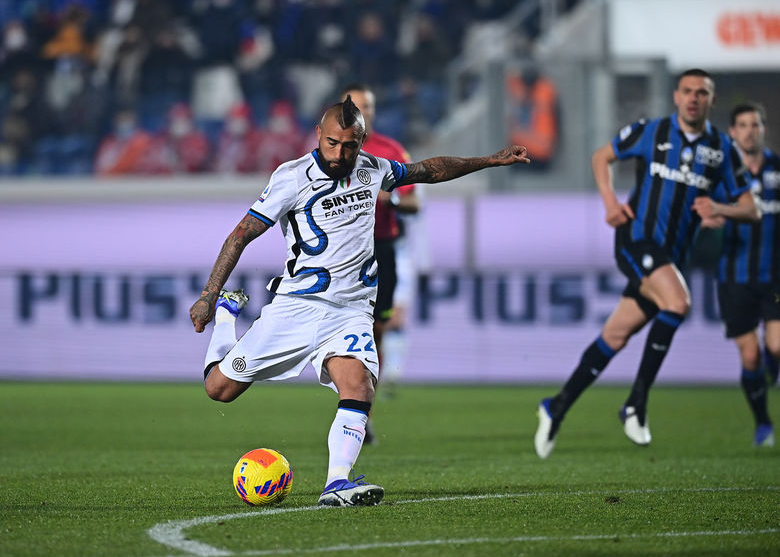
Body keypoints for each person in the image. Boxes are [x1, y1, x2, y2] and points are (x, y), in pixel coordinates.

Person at [190, 97, 529, 505]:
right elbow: (240, 234)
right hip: (297, 307)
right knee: (219, 389)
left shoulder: (373, 169)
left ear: (362, 142)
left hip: (351, 311)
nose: (339, 154)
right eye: (331, 143)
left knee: (360, 385)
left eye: (349, 146)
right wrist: (209, 296)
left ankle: (337, 483)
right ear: (318, 134)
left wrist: (489, 161)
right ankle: (228, 314)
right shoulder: (291, 178)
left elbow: (428, 170)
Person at [534, 68, 761, 459]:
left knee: (615, 335)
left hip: (670, 258)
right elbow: (601, 157)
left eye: (701, 92)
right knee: (679, 303)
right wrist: (609, 202)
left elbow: (751, 208)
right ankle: (636, 403)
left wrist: (719, 208)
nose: (693, 98)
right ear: (676, 96)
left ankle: (556, 406)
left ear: (711, 100)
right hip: (635, 241)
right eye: (687, 91)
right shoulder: (651, 132)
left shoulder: (722, 148)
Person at [341, 83, 420, 442]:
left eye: (368, 106)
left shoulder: (391, 152)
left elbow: (413, 203)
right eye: (355, 106)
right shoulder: (332, 151)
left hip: (380, 249)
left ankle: (362, 413)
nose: (363, 112)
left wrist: (390, 199)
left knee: (374, 333)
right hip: (342, 252)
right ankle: (350, 402)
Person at [715, 102, 779, 447]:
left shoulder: (777, 169)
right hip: (734, 277)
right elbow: (703, 217)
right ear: (732, 132)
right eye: (742, 125)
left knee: (777, 344)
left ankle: (774, 365)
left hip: (775, 277)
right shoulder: (721, 176)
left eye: (755, 125)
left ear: (763, 129)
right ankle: (763, 423)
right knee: (750, 356)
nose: (749, 131)